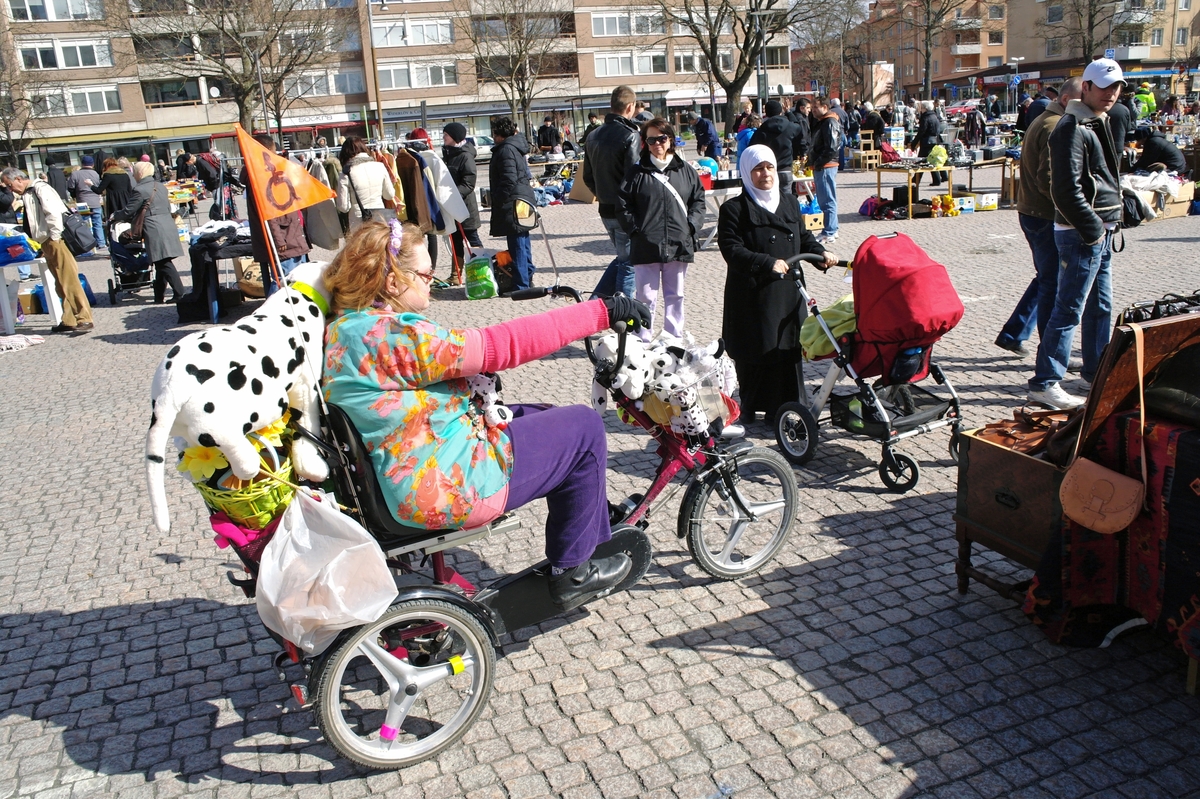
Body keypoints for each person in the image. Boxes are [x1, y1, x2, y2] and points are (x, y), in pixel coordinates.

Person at [322, 220, 650, 606]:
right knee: (584, 427)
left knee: (539, 413)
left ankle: (585, 512)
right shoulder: (391, 337)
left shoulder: (348, 329)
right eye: (425, 273)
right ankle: (573, 571)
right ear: (392, 282)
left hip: (408, 466)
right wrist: (599, 311)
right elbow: (501, 346)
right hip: (443, 485)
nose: (433, 280)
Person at [1030, 59, 1124, 410]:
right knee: (1068, 308)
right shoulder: (1072, 126)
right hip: (1080, 233)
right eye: (1105, 87)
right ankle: (1045, 381)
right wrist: (1093, 228)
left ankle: (1095, 370)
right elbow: (1064, 188)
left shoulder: (1097, 121)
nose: (1112, 94)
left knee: (1099, 306)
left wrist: (1117, 210)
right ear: (1086, 87)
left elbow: (1099, 178)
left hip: (1096, 229)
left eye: (1116, 88)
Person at [718, 146, 838, 422]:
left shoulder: (789, 202)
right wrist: (764, 262)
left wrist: (821, 255)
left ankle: (787, 406)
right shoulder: (734, 209)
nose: (765, 174)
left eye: (769, 167)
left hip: (787, 290)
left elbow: (803, 237)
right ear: (747, 174)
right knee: (757, 349)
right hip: (753, 293)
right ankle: (753, 406)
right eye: (758, 169)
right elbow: (731, 249)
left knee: (787, 346)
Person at [996, 77, 1083, 357]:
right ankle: (1047, 347)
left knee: (1048, 278)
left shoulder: (1048, 120)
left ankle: (1015, 333)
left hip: (1036, 211)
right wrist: (1072, 207)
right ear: (1069, 100)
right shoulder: (1053, 125)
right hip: (1043, 213)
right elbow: (1049, 178)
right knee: (1052, 281)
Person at [617, 118, 705, 343]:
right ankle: (642, 339)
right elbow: (622, 204)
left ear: (670, 140)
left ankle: (673, 337)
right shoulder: (636, 173)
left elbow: (698, 201)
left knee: (676, 295)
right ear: (645, 143)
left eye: (662, 138)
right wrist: (636, 230)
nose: (657, 143)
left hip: (678, 243)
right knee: (645, 297)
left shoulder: (686, 171)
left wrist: (691, 226)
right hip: (646, 244)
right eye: (652, 139)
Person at [1, 167, 93, 332]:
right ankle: (69, 319)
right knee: (59, 282)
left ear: (19, 179)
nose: (10, 189)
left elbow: (54, 214)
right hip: (46, 241)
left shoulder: (40, 188)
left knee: (69, 280)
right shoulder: (29, 193)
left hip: (55, 239)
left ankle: (84, 319)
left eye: (9, 185)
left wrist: (55, 237)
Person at [583, 86, 640, 299]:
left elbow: (587, 176)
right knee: (629, 262)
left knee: (622, 258)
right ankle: (624, 314)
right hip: (625, 208)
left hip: (605, 207)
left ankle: (593, 306)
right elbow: (634, 177)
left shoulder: (593, 135)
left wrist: (601, 193)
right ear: (630, 107)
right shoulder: (630, 135)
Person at [240, 134, 311, 296]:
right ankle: (278, 313)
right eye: (273, 150)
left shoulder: (262, 172)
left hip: (289, 232)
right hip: (285, 236)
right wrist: (279, 240)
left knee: (294, 279)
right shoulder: (260, 175)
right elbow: (269, 211)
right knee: (285, 280)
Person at [113, 161, 185, 304]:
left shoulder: (140, 190)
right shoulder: (160, 186)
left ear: (140, 173)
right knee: (160, 262)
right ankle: (159, 296)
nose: (133, 174)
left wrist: (114, 216)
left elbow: (129, 211)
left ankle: (180, 293)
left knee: (163, 262)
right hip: (167, 224)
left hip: (153, 227)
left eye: (134, 172)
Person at [488, 116, 538, 291]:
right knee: (522, 241)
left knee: (517, 243)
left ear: (499, 133)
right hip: (522, 198)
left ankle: (521, 284)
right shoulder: (514, 146)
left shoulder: (506, 149)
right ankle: (527, 277)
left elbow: (509, 179)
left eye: (494, 133)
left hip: (514, 201)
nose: (493, 136)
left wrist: (499, 199)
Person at [442, 122, 483, 285]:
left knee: (472, 239)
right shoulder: (449, 153)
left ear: (455, 137)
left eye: (446, 134)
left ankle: (481, 271)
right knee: (455, 239)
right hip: (453, 206)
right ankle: (455, 275)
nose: (443, 137)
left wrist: (452, 195)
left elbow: (468, 183)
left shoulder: (465, 156)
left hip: (465, 207)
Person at [336, 135, 395, 232]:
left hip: (358, 221)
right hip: (379, 217)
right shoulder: (380, 166)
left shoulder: (346, 173)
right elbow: (389, 195)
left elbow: (343, 207)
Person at [809, 96, 842, 244]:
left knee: (827, 198)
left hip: (826, 165)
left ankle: (830, 231)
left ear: (824, 107)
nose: (813, 111)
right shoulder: (823, 122)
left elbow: (831, 147)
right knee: (825, 198)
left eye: (815, 107)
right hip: (823, 164)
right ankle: (830, 229)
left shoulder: (829, 122)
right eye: (812, 108)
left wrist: (818, 162)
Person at [749, 100, 800, 193]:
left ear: (766, 113)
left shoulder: (762, 130)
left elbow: (751, 149)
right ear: (780, 111)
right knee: (786, 199)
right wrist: (788, 112)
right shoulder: (789, 127)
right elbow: (798, 126)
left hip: (768, 170)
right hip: (786, 168)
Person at [66, 155, 106, 251]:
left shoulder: (75, 174)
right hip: (95, 201)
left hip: (82, 202)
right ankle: (101, 242)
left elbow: (70, 188)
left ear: (82, 164)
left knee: (85, 223)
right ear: (92, 164)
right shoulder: (96, 174)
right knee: (97, 223)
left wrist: (75, 195)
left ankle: (88, 243)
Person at [96, 158, 135, 243]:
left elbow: (99, 190)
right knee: (127, 221)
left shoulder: (108, 175)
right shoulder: (125, 174)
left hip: (114, 201)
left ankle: (114, 243)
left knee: (113, 222)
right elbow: (130, 190)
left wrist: (90, 185)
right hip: (126, 200)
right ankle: (129, 240)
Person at [913, 100, 946, 188]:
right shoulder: (934, 116)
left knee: (924, 161)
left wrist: (914, 143)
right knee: (930, 160)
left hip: (926, 142)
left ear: (925, 108)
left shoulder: (925, 117)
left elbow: (921, 131)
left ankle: (933, 179)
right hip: (935, 140)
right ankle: (917, 178)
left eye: (922, 108)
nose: (921, 109)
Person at [787, 96, 812, 163]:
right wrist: (804, 153)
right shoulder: (801, 120)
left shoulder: (794, 116)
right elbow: (802, 137)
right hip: (799, 152)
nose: (810, 110)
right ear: (801, 108)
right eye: (808, 108)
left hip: (793, 150)